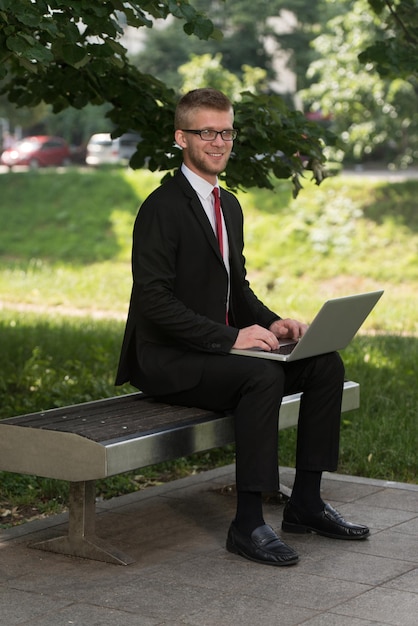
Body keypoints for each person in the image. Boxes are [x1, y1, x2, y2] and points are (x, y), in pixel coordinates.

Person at [116, 87, 369, 566]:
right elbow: (153, 302)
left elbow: (239, 290)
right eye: (206, 132)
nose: (218, 142)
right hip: (167, 360)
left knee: (324, 365)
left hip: (214, 353)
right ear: (181, 138)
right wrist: (233, 338)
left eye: (226, 131)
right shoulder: (161, 208)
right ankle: (248, 523)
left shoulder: (227, 204)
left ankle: (307, 504)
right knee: (262, 375)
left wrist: (275, 323)